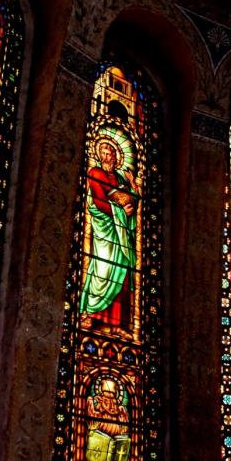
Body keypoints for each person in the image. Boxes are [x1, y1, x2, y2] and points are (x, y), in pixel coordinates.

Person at [80, 138, 139, 331]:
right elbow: (97, 201)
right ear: (99, 155)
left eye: (110, 154)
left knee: (121, 271)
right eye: (104, 153)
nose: (107, 157)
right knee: (102, 268)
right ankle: (90, 315)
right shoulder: (94, 172)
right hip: (105, 230)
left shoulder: (121, 179)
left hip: (121, 231)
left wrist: (132, 186)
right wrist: (122, 211)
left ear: (116, 157)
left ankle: (118, 324)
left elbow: (132, 199)